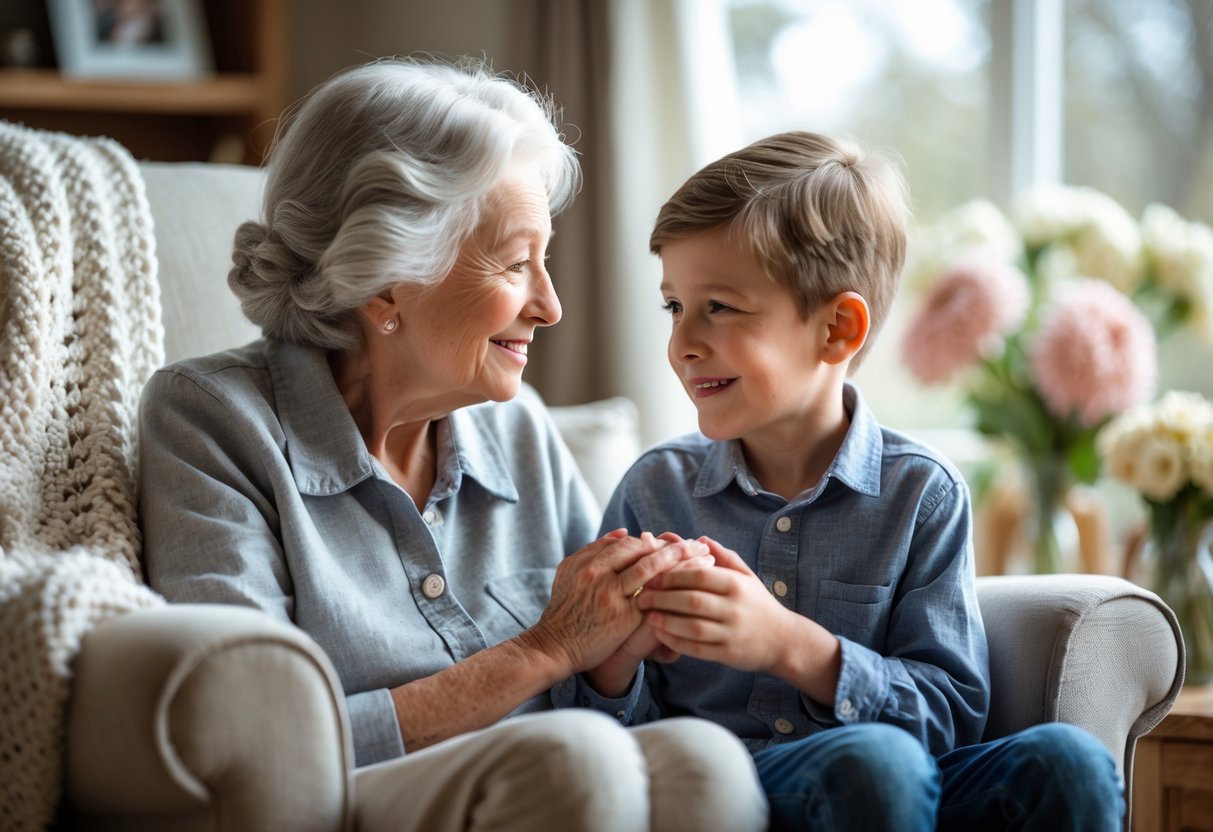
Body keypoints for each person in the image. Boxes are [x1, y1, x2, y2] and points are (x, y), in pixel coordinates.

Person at [137, 57, 767, 832]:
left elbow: (605, 701)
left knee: (703, 760)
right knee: (572, 757)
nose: (550, 305)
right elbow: (254, 734)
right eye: (513, 263)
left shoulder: (516, 423)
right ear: (385, 283)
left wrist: (615, 646)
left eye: (546, 259)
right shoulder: (211, 420)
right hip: (347, 799)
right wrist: (543, 651)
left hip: (556, 781)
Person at [555, 131, 1124, 830]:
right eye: (674, 306)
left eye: (719, 307)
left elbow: (949, 714)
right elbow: (602, 743)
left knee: (1067, 760)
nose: (682, 343)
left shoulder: (922, 494)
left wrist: (788, 645)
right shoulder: (656, 489)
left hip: (904, 774)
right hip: (738, 784)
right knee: (875, 763)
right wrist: (615, 661)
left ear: (835, 329)